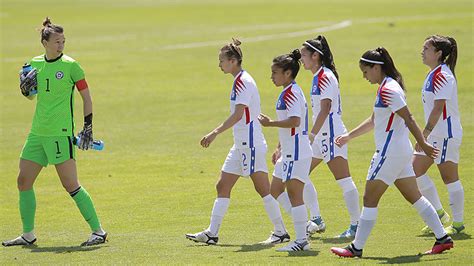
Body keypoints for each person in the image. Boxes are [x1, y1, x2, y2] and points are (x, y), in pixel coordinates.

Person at [330, 47, 453, 258]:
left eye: (366, 71)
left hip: (389, 153)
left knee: (369, 199)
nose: (364, 76)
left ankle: (356, 248)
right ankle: (442, 238)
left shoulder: (389, 89)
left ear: (376, 68)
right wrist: (349, 136)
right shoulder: (386, 87)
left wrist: (422, 143)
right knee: (414, 196)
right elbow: (374, 120)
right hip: (399, 152)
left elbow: (409, 118)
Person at [2, 17, 107, 247]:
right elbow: (31, 96)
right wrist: (25, 90)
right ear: (45, 42)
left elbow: (86, 97)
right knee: (23, 181)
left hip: (60, 134)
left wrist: (87, 126)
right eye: (57, 41)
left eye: (63, 41)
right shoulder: (33, 64)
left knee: (70, 184)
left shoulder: (72, 66)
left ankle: (98, 231)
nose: (61, 45)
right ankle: (28, 234)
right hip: (37, 134)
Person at [185, 39, 289, 245]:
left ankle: (281, 231)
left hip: (250, 144)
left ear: (233, 61)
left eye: (221, 60)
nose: (219, 64)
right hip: (241, 144)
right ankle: (212, 233)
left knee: (263, 189)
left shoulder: (243, 81)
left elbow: (237, 115)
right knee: (222, 185)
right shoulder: (240, 80)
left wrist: (214, 132)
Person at [300, 35, 360, 238]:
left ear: (315, 56)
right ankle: (316, 219)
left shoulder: (325, 76)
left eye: (304, 55)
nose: (301, 60)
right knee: (300, 173)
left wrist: (312, 134)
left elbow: (325, 108)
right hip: (320, 136)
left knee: (344, 180)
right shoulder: (318, 76)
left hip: (331, 135)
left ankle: (356, 225)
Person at [258, 49, 312, 252]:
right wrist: (279, 147)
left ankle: (301, 240)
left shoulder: (291, 93)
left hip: (297, 152)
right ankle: (303, 226)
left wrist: (270, 124)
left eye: (274, 72)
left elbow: (295, 121)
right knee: (275, 189)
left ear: (287, 73)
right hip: (289, 151)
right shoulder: (289, 91)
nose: (271, 76)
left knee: (295, 195)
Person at [414, 35, 464, 235]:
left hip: (444, 134)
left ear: (438, 53)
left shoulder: (443, 75)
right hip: (435, 134)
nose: (422, 51)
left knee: (450, 178)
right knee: (414, 171)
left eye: (426, 48)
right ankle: (439, 214)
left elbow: (438, 108)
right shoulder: (433, 73)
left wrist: (423, 134)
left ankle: (458, 223)